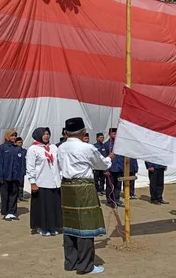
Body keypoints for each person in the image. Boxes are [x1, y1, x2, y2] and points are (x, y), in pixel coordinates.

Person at [58, 117, 113, 275]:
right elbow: (102, 165)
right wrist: (110, 157)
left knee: (70, 225)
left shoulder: (61, 147)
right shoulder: (87, 148)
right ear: (83, 132)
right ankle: (85, 265)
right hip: (83, 187)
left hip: (67, 186)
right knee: (85, 226)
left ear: (67, 132)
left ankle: (71, 262)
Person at [26, 127, 62, 237]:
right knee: (43, 207)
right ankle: (42, 227)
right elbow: (30, 167)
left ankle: (53, 226)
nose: (46, 136)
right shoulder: (33, 149)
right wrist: (32, 182)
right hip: (41, 182)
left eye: (48, 134)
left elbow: (59, 163)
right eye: (44, 134)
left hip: (54, 182)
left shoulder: (53, 147)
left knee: (53, 206)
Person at [0, 129, 23, 221]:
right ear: (7, 136)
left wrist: (21, 174)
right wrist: (0, 176)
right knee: (5, 195)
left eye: (15, 136)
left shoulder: (18, 148)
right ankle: (6, 212)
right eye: (12, 135)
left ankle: (13, 212)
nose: (14, 137)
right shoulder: (2, 148)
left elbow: (21, 163)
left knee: (14, 194)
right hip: (5, 176)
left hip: (15, 176)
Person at [104, 128, 124, 207]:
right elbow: (103, 158)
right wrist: (106, 170)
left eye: (116, 133)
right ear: (109, 134)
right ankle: (110, 200)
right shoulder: (106, 145)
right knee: (110, 186)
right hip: (111, 169)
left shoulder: (120, 145)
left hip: (119, 168)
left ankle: (116, 199)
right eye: (113, 133)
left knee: (118, 185)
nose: (115, 134)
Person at [16, 137, 27, 202]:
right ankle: (16, 197)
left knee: (21, 184)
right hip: (16, 170)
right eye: (19, 142)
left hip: (22, 170)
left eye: (21, 142)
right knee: (16, 184)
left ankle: (21, 196)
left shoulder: (24, 151)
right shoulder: (15, 150)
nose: (20, 143)